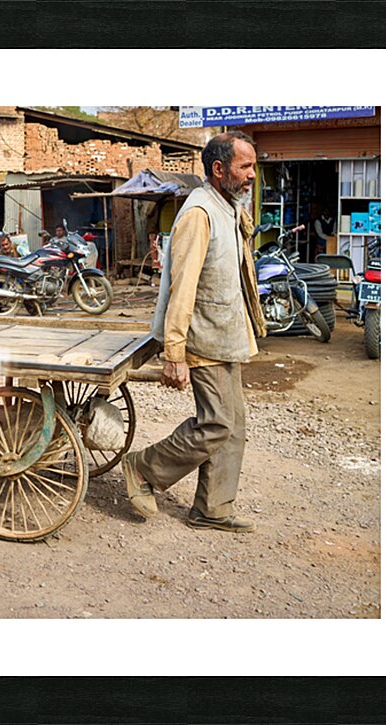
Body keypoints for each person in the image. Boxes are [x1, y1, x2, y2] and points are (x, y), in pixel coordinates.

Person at [121, 131, 266, 534]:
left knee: (233, 426)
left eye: (253, 166)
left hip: (226, 337)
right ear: (219, 169)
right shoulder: (199, 213)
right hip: (203, 337)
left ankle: (212, 509)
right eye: (245, 166)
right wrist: (175, 353)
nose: (252, 175)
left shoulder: (227, 206)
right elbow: (181, 288)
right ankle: (143, 467)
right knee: (216, 424)